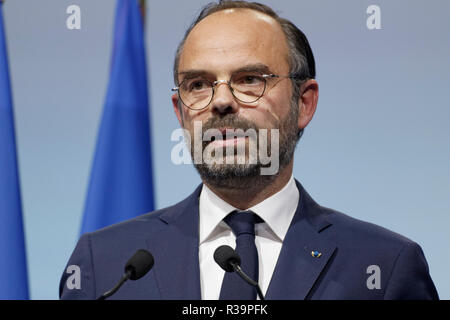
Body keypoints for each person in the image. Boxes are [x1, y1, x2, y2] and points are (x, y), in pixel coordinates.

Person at [60, 1, 439, 300]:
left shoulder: (382, 266)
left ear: (303, 104)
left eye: (249, 80)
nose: (221, 101)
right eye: (198, 83)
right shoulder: (107, 264)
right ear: (179, 112)